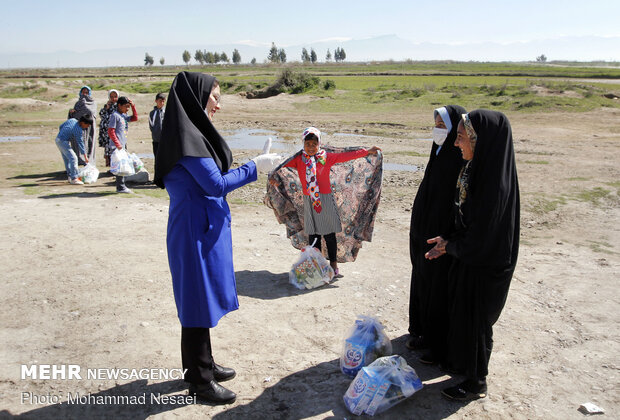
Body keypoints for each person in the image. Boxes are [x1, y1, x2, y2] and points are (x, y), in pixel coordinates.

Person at [154, 71, 282, 405]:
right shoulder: (186, 141)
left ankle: (204, 364)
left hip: (201, 227)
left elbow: (214, 177)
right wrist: (255, 166)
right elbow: (216, 184)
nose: (218, 106)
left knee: (202, 297)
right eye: (215, 97)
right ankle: (199, 381)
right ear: (197, 99)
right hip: (194, 232)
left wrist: (251, 163)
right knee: (196, 301)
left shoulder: (192, 135)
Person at [425, 109, 520, 401]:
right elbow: (468, 222)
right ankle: (464, 369)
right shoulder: (475, 170)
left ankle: (477, 382)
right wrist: (449, 240)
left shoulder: (494, 184)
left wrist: (451, 247)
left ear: (481, 141)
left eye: (462, 137)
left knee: (477, 320)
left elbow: (482, 235)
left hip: (486, 263)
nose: (456, 143)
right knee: (465, 314)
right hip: (472, 257)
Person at [277, 127, 381, 276]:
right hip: (310, 202)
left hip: (325, 201)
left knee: (329, 235)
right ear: (303, 143)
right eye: (308, 144)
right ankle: (318, 265)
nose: (311, 147)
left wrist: (367, 151)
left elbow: (348, 156)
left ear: (319, 143)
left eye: (314, 143)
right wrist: (274, 178)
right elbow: (280, 166)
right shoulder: (299, 159)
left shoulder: (326, 157)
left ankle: (333, 263)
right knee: (314, 236)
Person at [407, 105, 466, 363]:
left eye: (443, 126)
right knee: (422, 278)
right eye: (436, 125)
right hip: (425, 229)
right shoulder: (438, 151)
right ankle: (421, 331)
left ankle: (436, 340)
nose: (438, 130)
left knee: (437, 286)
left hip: (441, 233)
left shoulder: (458, 158)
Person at [107, 96, 138, 193]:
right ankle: (121, 187)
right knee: (120, 166)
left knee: (122, 166)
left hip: (122, 145)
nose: (127, 109)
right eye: (126, 106)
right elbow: (111, 131)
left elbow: (134, 118)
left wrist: (133, 106)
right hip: (117, 146)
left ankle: (121, 186)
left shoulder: (123, 116)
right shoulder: (115, 116)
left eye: (128, 107)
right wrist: (117, 144)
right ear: (119, 105)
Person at [55, 116, 92, 185]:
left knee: (67, 159)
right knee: (73, 158)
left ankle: (70, 175)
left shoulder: (72, 120)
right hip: (63, 141)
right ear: (82, 122)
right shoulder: (78, 129)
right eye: (87, 125)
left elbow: (61, 126)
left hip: (58, 139)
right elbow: (80, 142)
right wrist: (85, 156)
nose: (87, 127)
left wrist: (63, 134)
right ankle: (74, 178)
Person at [68, 86, 97, 165]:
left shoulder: (93, 103)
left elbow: (91, 113)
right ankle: (78, 160)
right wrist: (72, 112)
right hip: (79, 127)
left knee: (88, 142)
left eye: (86, 93)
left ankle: (88, 160)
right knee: (78, 142)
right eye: (83, 92)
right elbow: (75, 115)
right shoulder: (78, 103)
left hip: (89, 127)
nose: (84, 94)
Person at [99, 89, 119, 167]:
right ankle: (109, 165)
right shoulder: (107, 106)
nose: (113, 99)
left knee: (115, 148)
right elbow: (101, 115)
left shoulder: (120, 106)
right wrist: (106, 108)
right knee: (107, 148)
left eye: (115, 96)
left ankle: (116, 166)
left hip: (115, 131)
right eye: (111, 97)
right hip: (106, 132)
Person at [149, 92, 166, 158]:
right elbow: (151, 126)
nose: (162, 103)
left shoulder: (167, 111)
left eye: (163, 101)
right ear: (156, 101)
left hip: (165, 140)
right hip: (156, 140)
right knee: (157, 157)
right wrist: (156, 134)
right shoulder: (152, 113)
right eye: (160, 101)